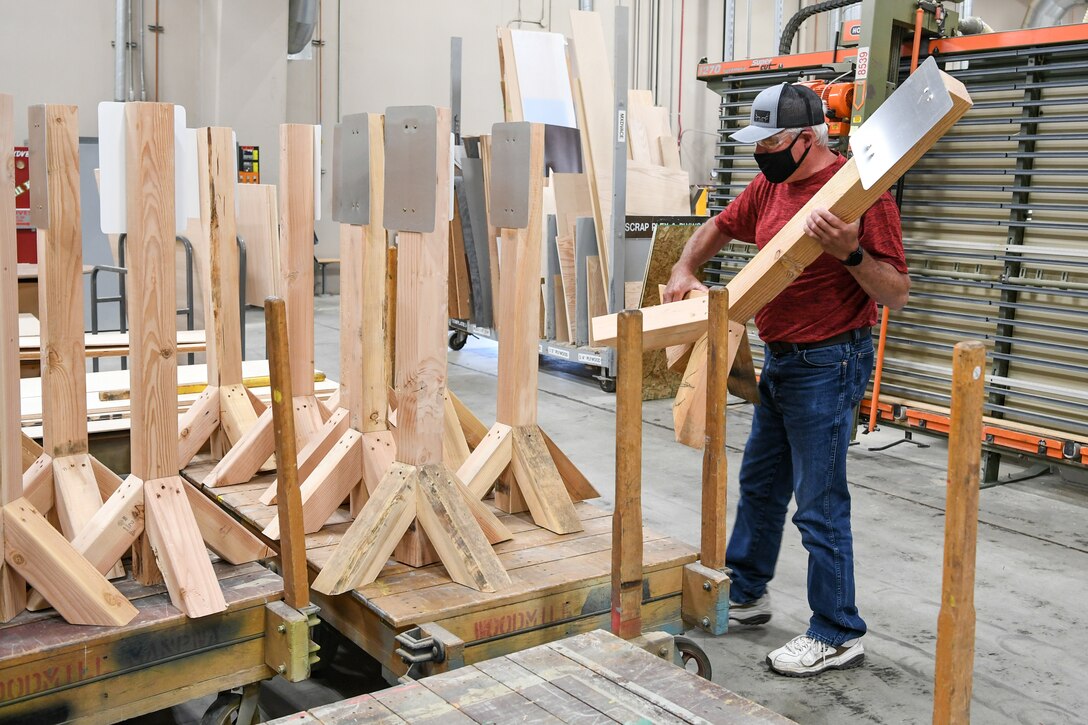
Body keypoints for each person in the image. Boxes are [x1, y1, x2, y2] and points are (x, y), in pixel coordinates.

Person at [663, 82, 910, 677]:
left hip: (828, 362)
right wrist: (683, 266)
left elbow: (896, 293)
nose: (758, 153)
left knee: (819, 504)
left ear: (806, 139)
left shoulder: (858, 194)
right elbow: (720, 225)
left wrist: (851, 253)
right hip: (779, 358)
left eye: (769, 141)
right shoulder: (771, 183)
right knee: (762, 483)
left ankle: (837, 630)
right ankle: (747, 591)